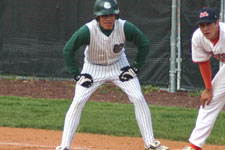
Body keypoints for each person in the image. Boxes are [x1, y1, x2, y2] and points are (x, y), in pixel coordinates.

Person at [56, 0, 169, 150]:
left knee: (138, 97)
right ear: (97, 17)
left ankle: (150, 143)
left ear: (116, 15)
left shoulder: (124, 27)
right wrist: (77, 75)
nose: (109, 19)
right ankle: (64, 146)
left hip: (119, 65)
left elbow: (144, 44)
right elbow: (68, 50)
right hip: (92, 68)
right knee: (77, 101)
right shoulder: (88, 30)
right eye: (104, 16)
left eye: (112, 15)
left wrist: (135, 68)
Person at [182, 7, 225, 150]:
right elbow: (203, 62)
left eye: (209, 24)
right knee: (209, 101)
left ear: (217, 23)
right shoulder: (198, 37)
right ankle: (195, 145)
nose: (205, 28)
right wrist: (208, 89)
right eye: (202, 25)